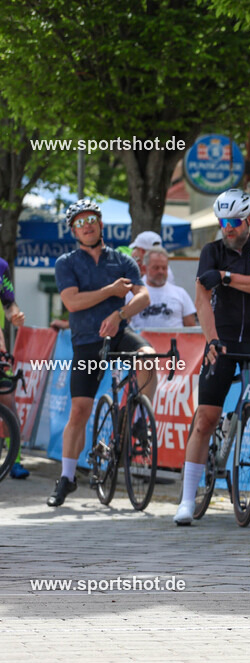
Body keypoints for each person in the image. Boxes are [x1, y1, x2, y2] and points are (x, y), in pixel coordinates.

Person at [174, 189, 250, 525]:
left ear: (249, 219)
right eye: (222, 221)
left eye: (234, 221)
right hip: (222, 342)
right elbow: (202, 299)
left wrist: (226, 277)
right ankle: (187, 499)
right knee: (205, 418)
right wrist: (212, 340)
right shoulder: (211, 250)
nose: (228, 227)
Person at [49, 200, 155, 506]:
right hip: (86, 341)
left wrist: (119, 314)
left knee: (148, 356)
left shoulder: (121, 260)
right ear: (74, 231)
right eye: (80, 223)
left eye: (92, 219)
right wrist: (109, 291)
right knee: (79, 411)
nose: (88, 225)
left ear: (101, 223)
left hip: (119, 333)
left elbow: (143, 295)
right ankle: (67, 478)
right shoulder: (66, 263)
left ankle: (139, 418)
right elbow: (72, 303)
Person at [0, 257, 27, 478]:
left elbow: (8, 303)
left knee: (7, 400)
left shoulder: (1, 267)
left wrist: (14, 316)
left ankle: (15, 460)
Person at [127, 248, 197, 329]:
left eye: (164, 268)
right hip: (141, 340)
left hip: (174, 341)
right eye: (156, 268)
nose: (161, 271)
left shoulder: (181, 293)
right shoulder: (132, 293)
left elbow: (191, 329)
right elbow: (125, 324)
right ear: (144, 268)